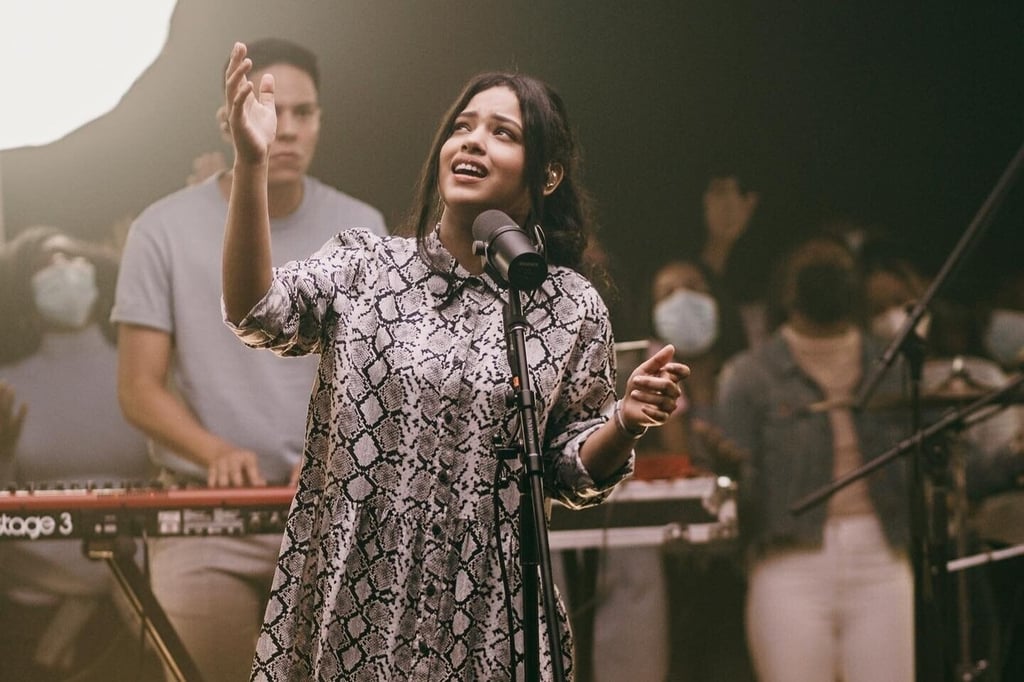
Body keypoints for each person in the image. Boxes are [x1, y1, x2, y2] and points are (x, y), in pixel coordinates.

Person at [220, 41, 688, 680]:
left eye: (502, 133)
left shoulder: (568, 307)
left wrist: (625, 422)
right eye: (462, 128)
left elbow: (569, 471)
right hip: (356, 589)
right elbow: (256, 311)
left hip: (488, 613)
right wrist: (252, 163)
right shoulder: (366, 266)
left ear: (546, 175)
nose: (472, 142)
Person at [111, 38, 387, 681]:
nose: (286, 127)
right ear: (229, 118)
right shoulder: (163, 226)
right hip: (207, 517)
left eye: (303, 112)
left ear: (320, 120)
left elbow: (382, 376)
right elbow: (137, 389)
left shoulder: (361, 225)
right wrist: (214, 453)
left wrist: (341, 455)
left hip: (331, 509)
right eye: (269, 106)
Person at [715, 234, 916, 682]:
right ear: (789, 291)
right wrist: (726, 470)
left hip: (882, 550)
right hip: (789, 559)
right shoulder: (750, 375)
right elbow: (737, 492)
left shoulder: (889, 364)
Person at [0, 226, 160, 680]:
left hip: (143, 603)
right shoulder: (7, 382)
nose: (61, 271)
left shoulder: (147, 376)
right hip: (32, 615)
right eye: (43, 265)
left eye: (71, 257)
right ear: (20, 287)